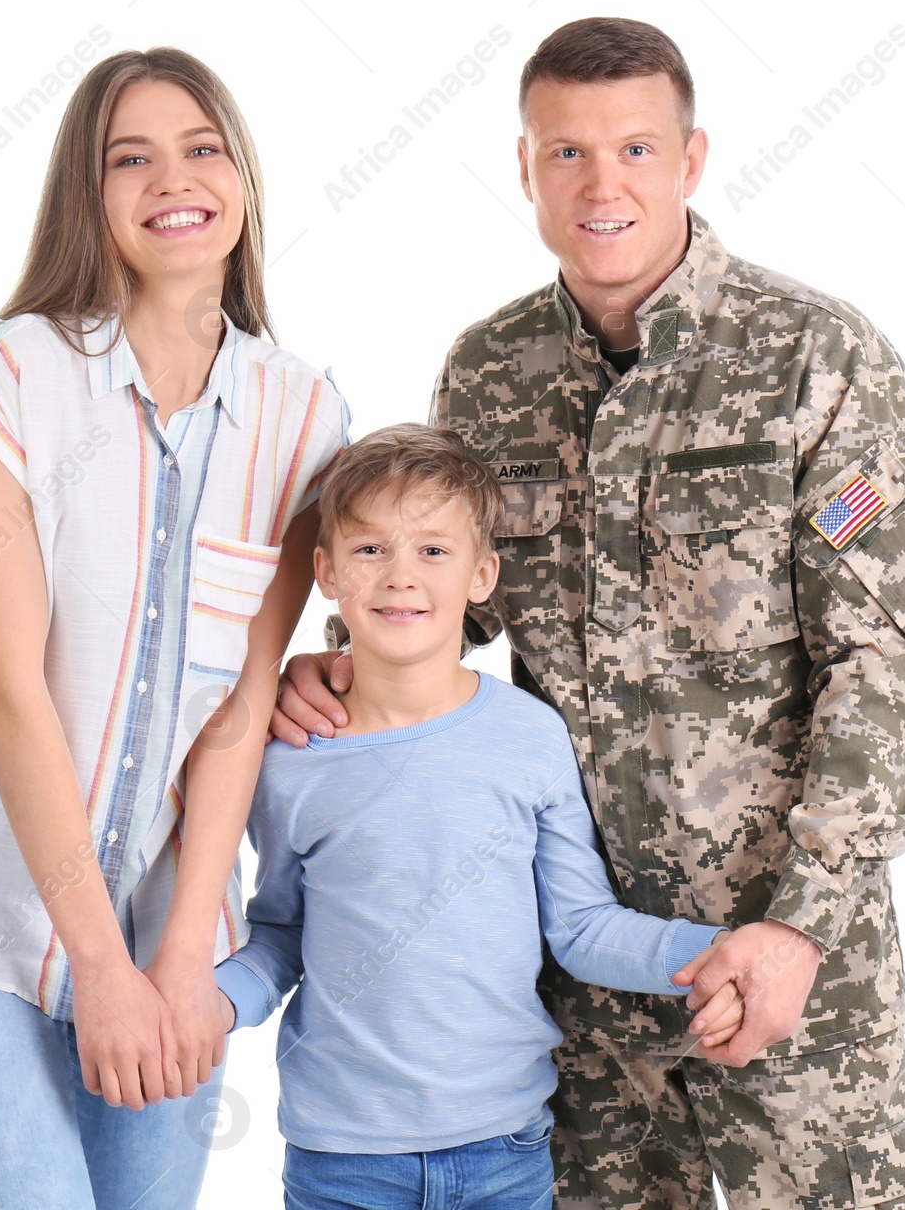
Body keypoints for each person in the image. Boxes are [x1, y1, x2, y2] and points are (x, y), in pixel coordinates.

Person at [274, 17, 905, 1209]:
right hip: (580, 1013)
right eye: (566, 154)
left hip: (791, 970)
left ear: (691, 160)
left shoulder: (816, 359)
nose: (603, 185)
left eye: (636, 150)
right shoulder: (488, 374)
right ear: (527, 167)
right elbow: (447, 604)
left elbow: (886, 658)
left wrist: (798, 923)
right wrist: (331, 669)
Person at [0, 46, 350, 1210]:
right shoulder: (19, 372)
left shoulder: (301, 411)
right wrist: (97, 962)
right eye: (131, 158)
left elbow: (240, 708)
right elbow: (12, 688)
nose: (170, 179)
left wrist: (179, 955)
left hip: (169, 917)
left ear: (240, 177)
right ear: (93, 194)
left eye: (199, 148)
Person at [213, 424, 745, 1210]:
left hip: (504, 1152)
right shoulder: (291, 758)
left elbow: (583, 928)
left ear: (482, 575)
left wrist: (716, 952)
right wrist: (210, 1004)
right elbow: (285, 932)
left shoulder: (530, 736)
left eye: (434, 551)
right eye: (370, 551)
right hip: (341, 1161)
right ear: (325, 572)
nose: (400, 576)